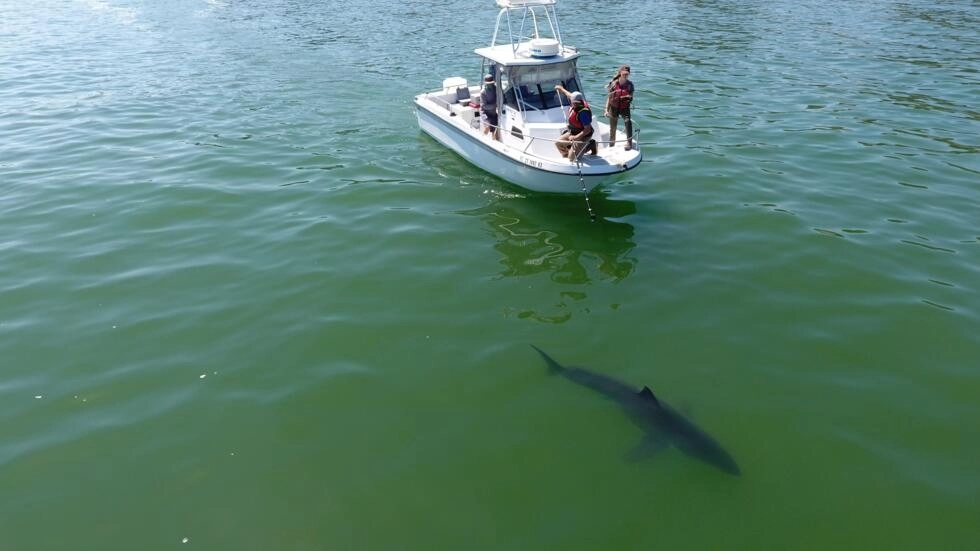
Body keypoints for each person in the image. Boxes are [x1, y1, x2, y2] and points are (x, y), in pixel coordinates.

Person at [554, 85, 597, 161]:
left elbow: (587, 129)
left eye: (577, 103)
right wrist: (561, 89)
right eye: (574, 102)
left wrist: (575, 138)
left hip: (583, 135)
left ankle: (590, 144)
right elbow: (569, 94)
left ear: (580, 101)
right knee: (558, 143)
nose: (575, 104)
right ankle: (568, 155)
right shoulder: (574, 100)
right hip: (573, 131)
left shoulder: (583, 112)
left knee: (572, 158)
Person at [604, 65, 634, 150]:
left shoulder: (630, 85)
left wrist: (629, 98)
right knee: (613, 127)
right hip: (614, 107)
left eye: (627, 74)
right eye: (624, 73)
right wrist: (606, 109)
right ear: (620, 73)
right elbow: (609, 98)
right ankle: (611, 144)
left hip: (625, 108)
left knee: (628, 122)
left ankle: (629, 142)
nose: (625, 75)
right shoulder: (614, 84)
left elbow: (631, 96)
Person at [480, 74, 499, 140]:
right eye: (488, 84)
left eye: (491, 83)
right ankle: (482, 139)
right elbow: (484, 106)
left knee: (495, 128)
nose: (490, 85)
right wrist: (495, 105)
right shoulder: (483, 92)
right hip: (485, 113)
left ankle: (493, 139)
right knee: (488, 127)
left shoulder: (496, 89)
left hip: (493, 113)